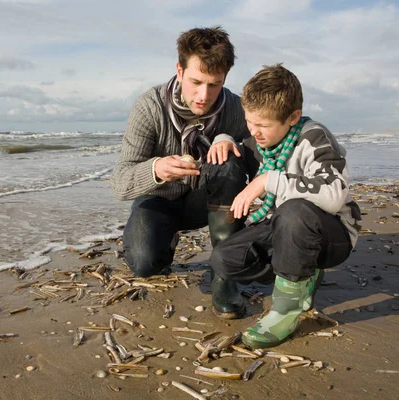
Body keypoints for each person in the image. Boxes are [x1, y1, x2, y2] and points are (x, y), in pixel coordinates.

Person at [209, 63, 362, 349]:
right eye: (249, 122)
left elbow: (335, 193)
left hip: (332, 234)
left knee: (295, 210)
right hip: (281, 226)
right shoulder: (259, 139)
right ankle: (302, 275)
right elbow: (236, 146)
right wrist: (224, 139)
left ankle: (286, 311)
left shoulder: (315, 137)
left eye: (263, 125)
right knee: (224, 259)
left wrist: (270, 180)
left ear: (293, 117)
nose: (254, 131)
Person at [111, 26, 255, 319]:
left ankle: (225, 278)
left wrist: (232, 140)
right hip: (159, 200)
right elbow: (120, 183)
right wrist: (157, 168)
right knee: (143, 264)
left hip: (210, 201)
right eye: (195, 82)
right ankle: (166, 239)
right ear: (179, 70)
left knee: (229, 158)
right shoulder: (149, 107)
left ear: (225, 78)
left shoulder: (237, 109)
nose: (203, 96)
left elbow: (268, 148)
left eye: (214, 85)